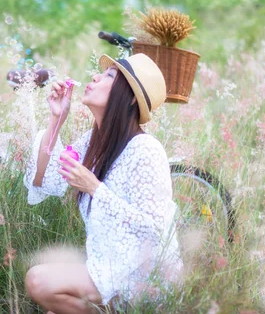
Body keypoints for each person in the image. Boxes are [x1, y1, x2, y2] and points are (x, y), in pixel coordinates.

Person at [23, 53, 183, 313]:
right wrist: (56, 120)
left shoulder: (145, 150)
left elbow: (154, 230)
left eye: (109, 76)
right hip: (109, 268)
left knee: (39, 280)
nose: (95, 76)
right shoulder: (94, 142)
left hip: (143, 279)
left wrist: (95, 189)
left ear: (130, 97)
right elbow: (44, 180)